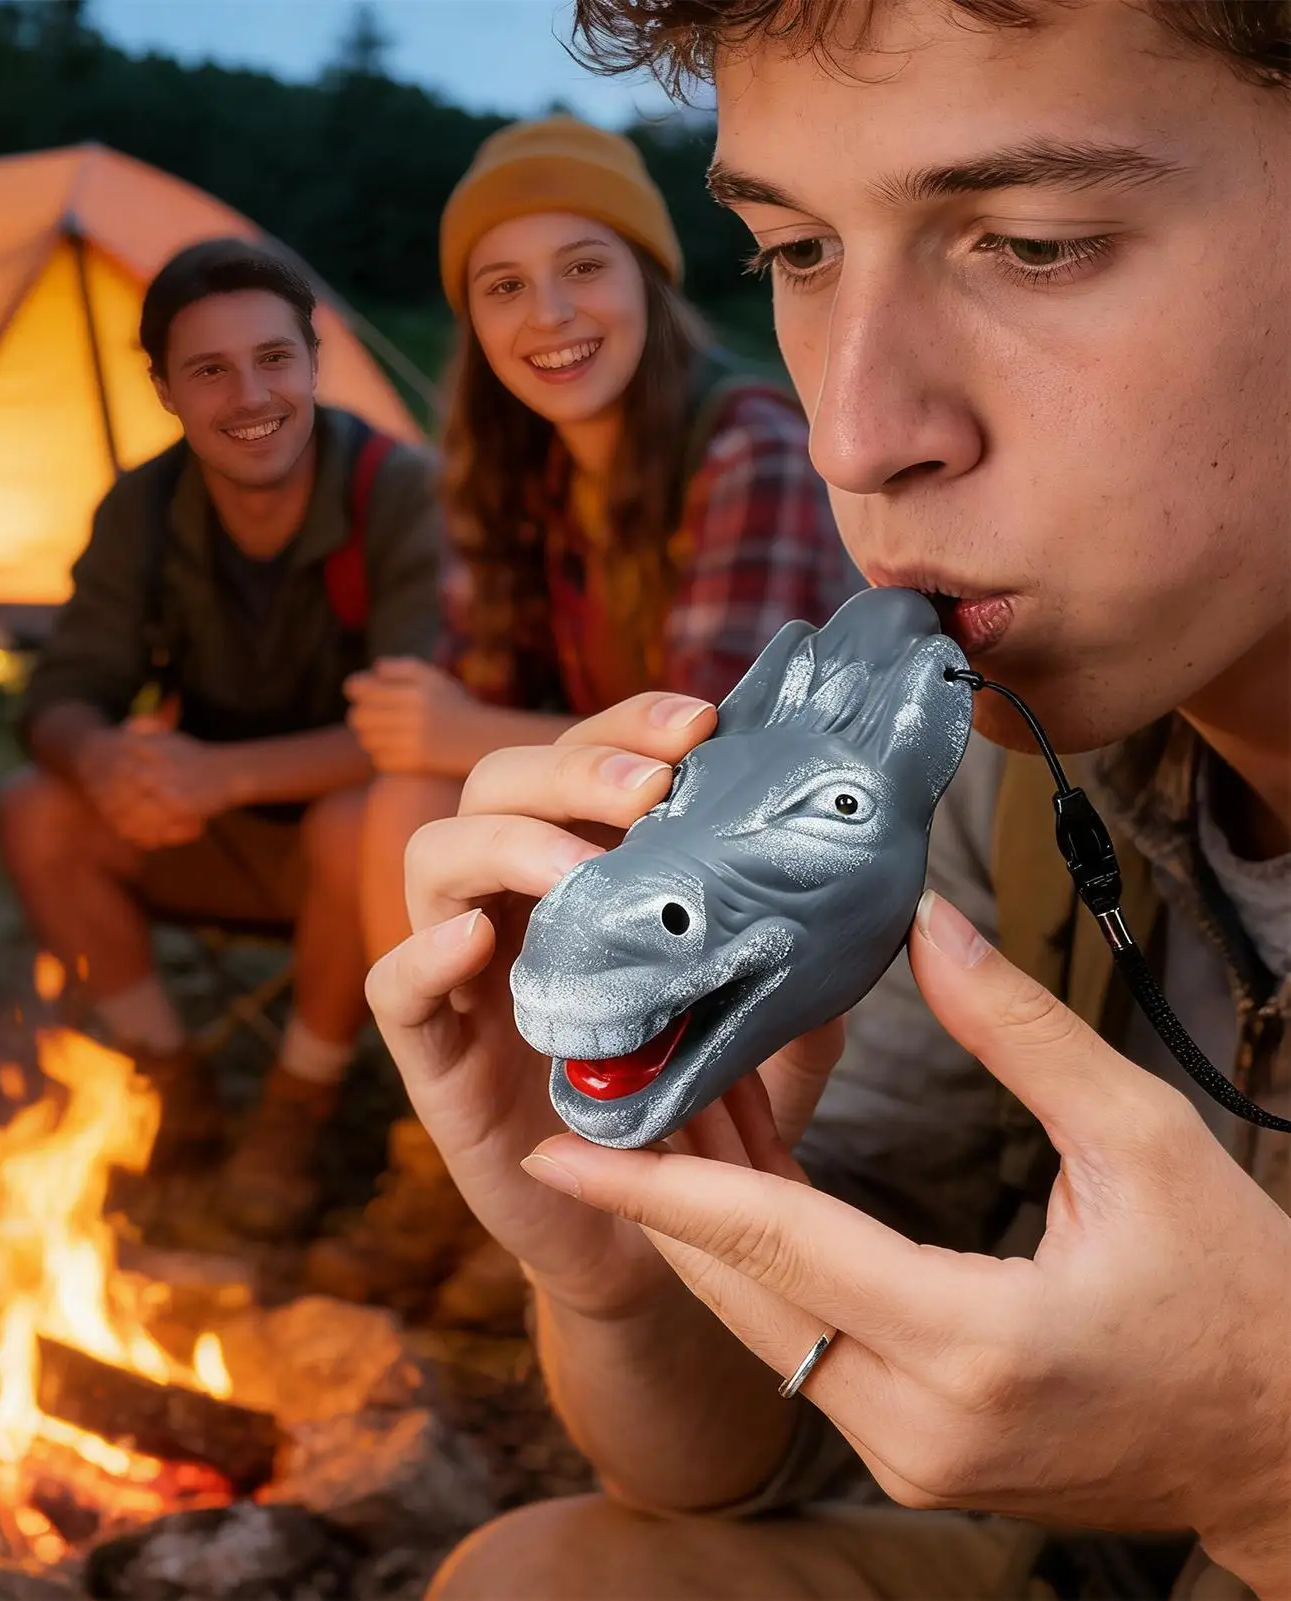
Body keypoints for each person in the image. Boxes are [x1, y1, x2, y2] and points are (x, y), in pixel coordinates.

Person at [365, 3, 1291, 1598]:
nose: (854, 436)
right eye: (793, 251)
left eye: (1035, 241)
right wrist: (635, 1259)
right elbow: (731, 1457)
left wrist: (1272, 1473)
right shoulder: (981, 792)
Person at [321, 116, 856, 1321]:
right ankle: (451, 1167)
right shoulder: (520, 472)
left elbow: (715, 757)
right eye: (503, 285)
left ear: (647, 282)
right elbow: (472, 694)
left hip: (764, 855)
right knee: (408, 805)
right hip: (614, 837)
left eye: (583, 266)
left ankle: (562, 1190)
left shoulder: (747, 443)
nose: (547, 314)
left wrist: (460, 730)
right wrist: (452, 733)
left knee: (440, 776)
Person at [0, 239, 442, 1240]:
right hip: (206, 834)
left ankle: (297, 1104)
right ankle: (170, 1081)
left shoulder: (398, 491)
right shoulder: (143, 505)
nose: (250, 395)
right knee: (35, 803)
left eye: (273, 359)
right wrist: (102, 756)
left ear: (314, 362)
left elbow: (429, 723)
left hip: (360, 855)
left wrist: (222, 771)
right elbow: (63, 689)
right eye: (209, 370)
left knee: (356, 817)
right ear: (163, 388)